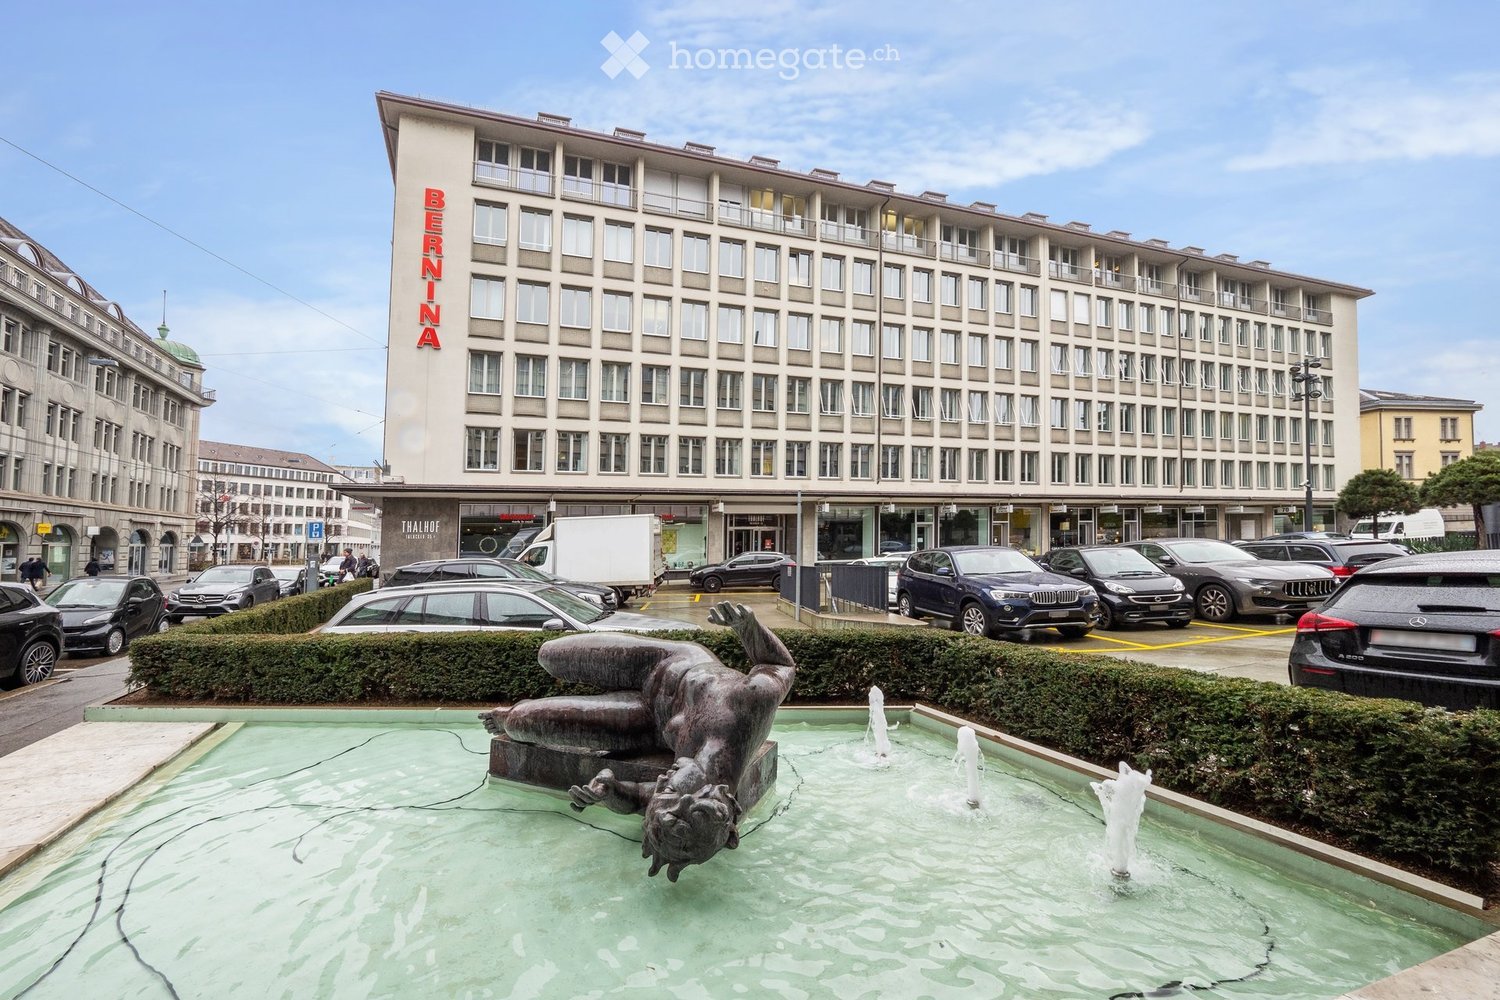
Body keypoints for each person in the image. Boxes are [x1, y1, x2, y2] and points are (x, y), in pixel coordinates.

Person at [482, 602, 796, 882]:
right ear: (723, 800)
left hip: (647, 722)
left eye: (664, 790)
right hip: (667, 664)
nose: (663, 780)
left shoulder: (686, 797)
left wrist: (606, 790)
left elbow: (635, 797)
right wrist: (748, 628)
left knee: (520, 722)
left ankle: (505, 716)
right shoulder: (749, 704)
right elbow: (782, 667)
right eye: (670, 787)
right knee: (548, 654)